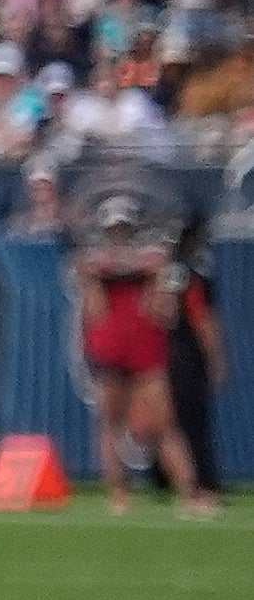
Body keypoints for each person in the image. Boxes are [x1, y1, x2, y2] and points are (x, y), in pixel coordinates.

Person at [76, 195, 217, 516]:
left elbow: (161, 307)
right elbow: (93, 309)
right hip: (113, 348)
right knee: (111, 423)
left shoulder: (152, 263)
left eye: (124, 228)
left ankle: (188, 491)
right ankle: (118, 495)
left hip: (143, 351)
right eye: (115, 229)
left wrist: (147, 275)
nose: (120, 235)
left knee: (164, 424)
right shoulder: (98, 266)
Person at [162, 212, 226, 501]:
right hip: (188, 353)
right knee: (193, 421)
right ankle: (202, 480)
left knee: (173, 420)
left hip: (167, 351)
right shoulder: (195, 271)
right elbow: (201, 318)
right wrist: (216, 359)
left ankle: (168, 477)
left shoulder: (169, 271)